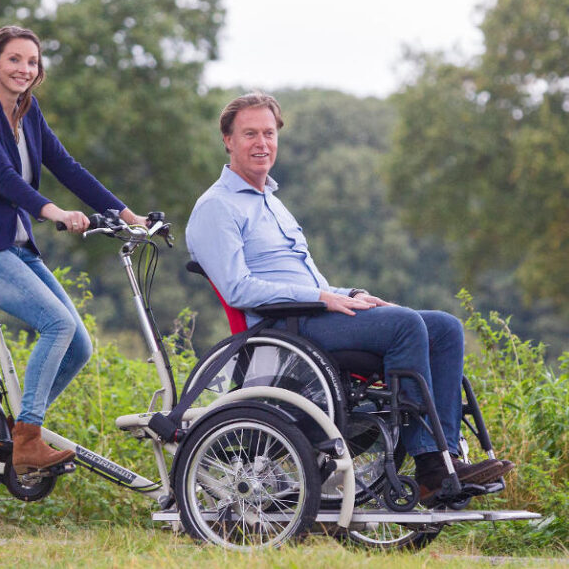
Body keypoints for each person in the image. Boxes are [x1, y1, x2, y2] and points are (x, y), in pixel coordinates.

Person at [185, 92, 513, 505]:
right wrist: (322, 298)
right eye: (250, 133)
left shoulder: (273, 203)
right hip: (285, 330)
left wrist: (351, 295)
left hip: (313, 312)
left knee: (444, 328)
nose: (261, 143)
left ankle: (447, 456)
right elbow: (238, 288)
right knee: (405, 326)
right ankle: (430, 465)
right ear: (228, 140)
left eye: (269, 133)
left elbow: (309, 277)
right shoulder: (216, 207)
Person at [0, 26, 145, 474]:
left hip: (14, 249)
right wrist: (53, 212)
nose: (24, 69)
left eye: (32, 62)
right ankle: (28, 440)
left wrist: (129, 216)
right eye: (15, 59)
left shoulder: (27, 114)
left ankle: (16, 431)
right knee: (56, 324)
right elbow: (2, 178)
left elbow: (68, 168)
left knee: (79, 345)